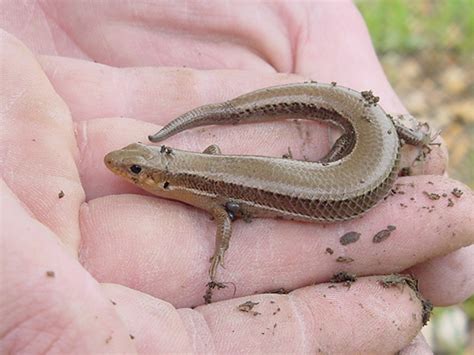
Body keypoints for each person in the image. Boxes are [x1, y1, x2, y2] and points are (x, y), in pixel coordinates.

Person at [1, 1, 472, 353]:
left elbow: (225, 218)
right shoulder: (200, 183)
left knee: (385, 128)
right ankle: (390, 134)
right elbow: (219, 188)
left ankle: (408, 135)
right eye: (136, 167)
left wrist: (217, 260)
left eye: (138, 169)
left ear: (164, 180)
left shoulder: (203, 192)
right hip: (353, 159)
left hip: (359, 183)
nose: (127, 170)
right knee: (367, 131)